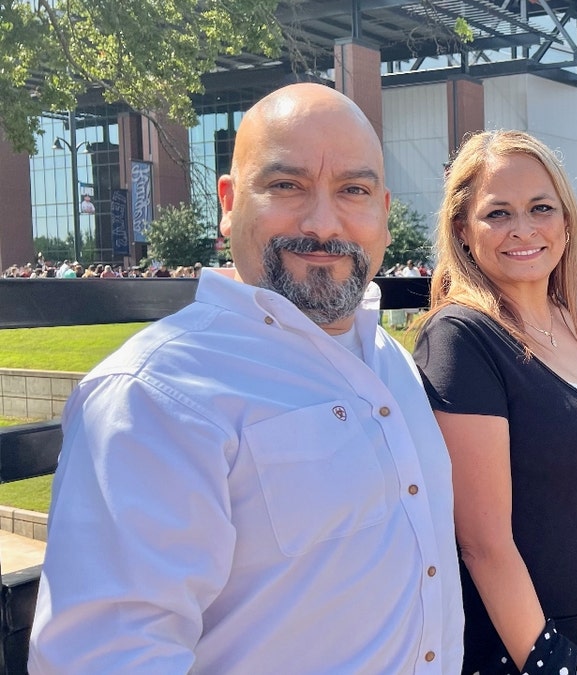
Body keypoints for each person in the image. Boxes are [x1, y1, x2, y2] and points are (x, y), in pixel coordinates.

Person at [29, 83, 463, 672]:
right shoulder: (156, 395)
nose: (322, 222)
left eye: (352, 190)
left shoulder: (389, 360)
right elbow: (107, 657)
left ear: (384, 213)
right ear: (229, 202)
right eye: (287, 186)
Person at [414, 130, 577, 674]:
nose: (523, 229)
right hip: (532, 650)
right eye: (497, 213)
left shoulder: (575, 320)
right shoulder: (461, 338)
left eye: (541, 208)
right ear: (463, 231)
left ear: (566, 221)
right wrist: (554, 663)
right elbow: (482, 543)